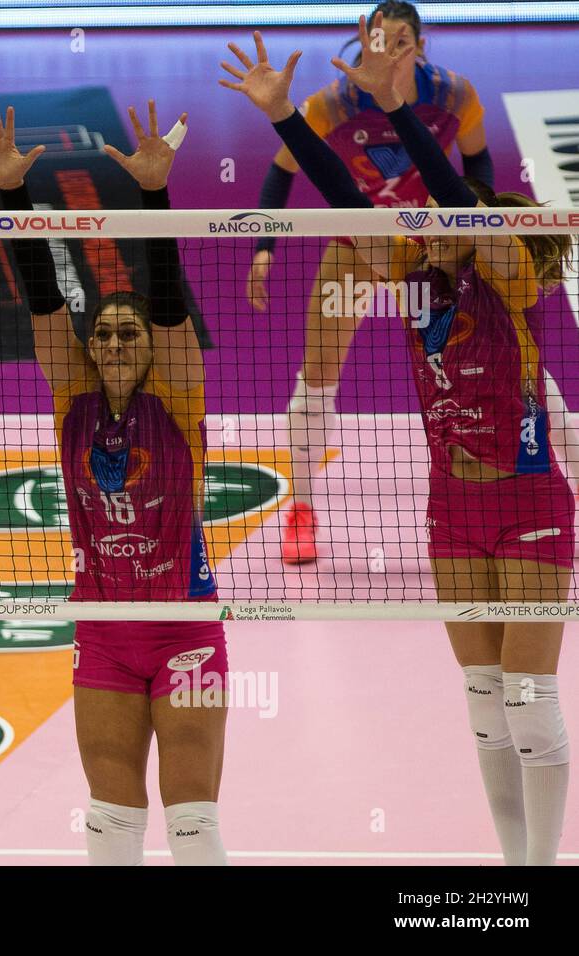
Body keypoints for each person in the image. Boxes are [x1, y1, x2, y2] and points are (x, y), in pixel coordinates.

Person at [222, 18, 573, 865]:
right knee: (484, 700)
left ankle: (541, 871)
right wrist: (283, 121)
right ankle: (509, 866)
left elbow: (459, 196)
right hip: (449, 511)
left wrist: (397, 106)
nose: (439, 223)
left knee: (528, 694)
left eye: (457, 217)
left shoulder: (507, 275)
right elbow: (345, 197)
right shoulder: (414, 274)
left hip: (525, 498)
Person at [0, 100, 229, 865]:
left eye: (131, 333)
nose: (116, 341)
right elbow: (46, 298)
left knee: (191, 822)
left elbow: (165, 290)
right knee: (111, 820)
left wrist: (154, 195)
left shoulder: (178, 397)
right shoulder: (72, 401)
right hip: (105, 631)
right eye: (105, 334)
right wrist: (11, 196)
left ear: (151, 345)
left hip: (186, 627)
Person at [244, 2, 494, 564]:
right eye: (379, 37)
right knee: (317, 378)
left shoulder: (455, 94)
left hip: (436, 250)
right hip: (361, 247)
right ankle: (302, 509)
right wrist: (263, 250)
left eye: (402, 38)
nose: (390, 46)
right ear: (366, 44)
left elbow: (478, 164)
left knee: (491, 362)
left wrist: (477, 233)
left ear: (419, 46)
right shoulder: (334, 102)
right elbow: (285, 168)